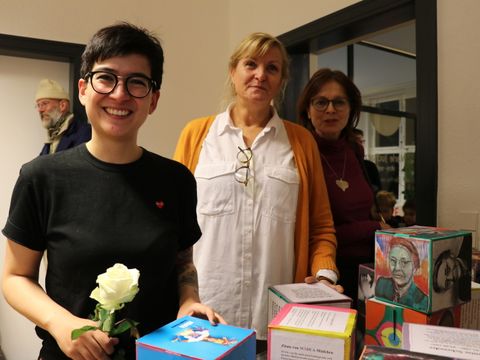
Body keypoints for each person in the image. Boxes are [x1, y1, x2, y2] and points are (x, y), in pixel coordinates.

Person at [2, 22, 224, 360]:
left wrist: (189, 300)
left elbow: (183, 262)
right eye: (106, 78)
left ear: (153, 100)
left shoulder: (176, 179)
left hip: (160, 354)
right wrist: (61, 324)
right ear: (82, 89)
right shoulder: (41, 178)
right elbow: (15, 277)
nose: (120, 94)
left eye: (137, 83)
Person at [173, 32, 341, 350]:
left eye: (272, 68)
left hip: (276, 323)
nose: (260, 75)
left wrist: (324, 277)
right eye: (251, 64)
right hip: (204, 319)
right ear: (233, 72)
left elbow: (321, 227)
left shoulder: (302, 142)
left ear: (281, 80)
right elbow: (171, 222)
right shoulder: (196, 135)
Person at [297, 68, 390, 304]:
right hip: (326, 274)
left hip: (370, 271)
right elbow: (310, 231)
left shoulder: (354, 151)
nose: (330, 109)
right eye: (321, 102)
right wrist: (373, 227)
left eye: (339, 102)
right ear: (308, 110)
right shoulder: (299, 155)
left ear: (351, 109)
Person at [35, 78, 91, 155]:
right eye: (38, 105)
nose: (40, 110)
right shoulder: (52, 139)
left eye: (44, 104)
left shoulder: (85, 133)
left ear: (62, 105)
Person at [375, 237, 428, 312]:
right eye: (393, 261)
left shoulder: (423, 301)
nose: (397, 268)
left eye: (404, 262)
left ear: (415, 268)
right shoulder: (381, 284)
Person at [352, 128, 382, 193]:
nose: (360, 145)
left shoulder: (369, 166)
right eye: (356, 140)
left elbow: (378, 189)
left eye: (361, 141)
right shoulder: (342, 165)